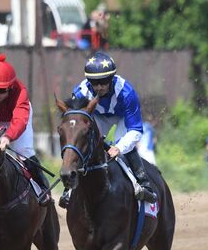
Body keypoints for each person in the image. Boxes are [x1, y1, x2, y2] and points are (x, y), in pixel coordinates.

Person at [60, 51, 156, 208]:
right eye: (94, 82)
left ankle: (143, 183)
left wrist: (119, 147)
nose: (99, 87)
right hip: (97, 116)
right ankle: (69, 188)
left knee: (123, 146)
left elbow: (136, 129)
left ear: (112, 78)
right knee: (79, 142)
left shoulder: (127, 92)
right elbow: (76, 123)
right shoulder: (80, 92)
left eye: (103, 81)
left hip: (121, 119)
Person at [0, 53, 52, 209]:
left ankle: (42, 188)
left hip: (16, 118)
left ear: (10, 88)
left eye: (0, 90)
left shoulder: (21, 93)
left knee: (23, 150)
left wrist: (7, 137)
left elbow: (19, 120)